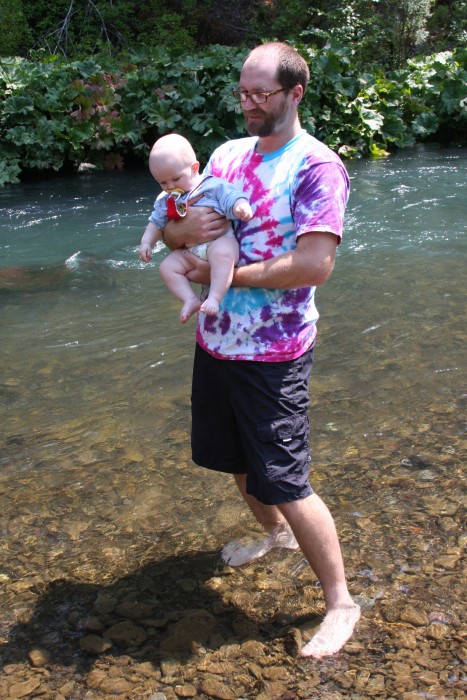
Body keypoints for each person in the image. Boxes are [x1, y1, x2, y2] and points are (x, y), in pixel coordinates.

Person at [163, 42, 361, 658]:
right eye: (243, 92)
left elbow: (313, 265)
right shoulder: (224, 156)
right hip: (217, 342)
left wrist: (223, 278)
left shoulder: (316, 168)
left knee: (288, 480)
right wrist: (178, 236)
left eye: (261, 94)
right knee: (237, 462)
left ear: (294, 94)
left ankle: (340, 602)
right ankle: (273, 538)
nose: (249, 104)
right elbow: (178, 223)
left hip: (275, 352)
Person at [139, 134, 252, 323]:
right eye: (163, 182)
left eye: (175, 179)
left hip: (219, 242)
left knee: (224, 253)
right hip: (190, 250)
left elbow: (231, 197)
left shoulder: (212, 186)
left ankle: (214, 298)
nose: (170, 186)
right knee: (167, 267)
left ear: (194, 168)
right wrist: (146, 242)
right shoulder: (166, 199)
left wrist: (240, 206)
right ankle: (189, 299)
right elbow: (156, 222)